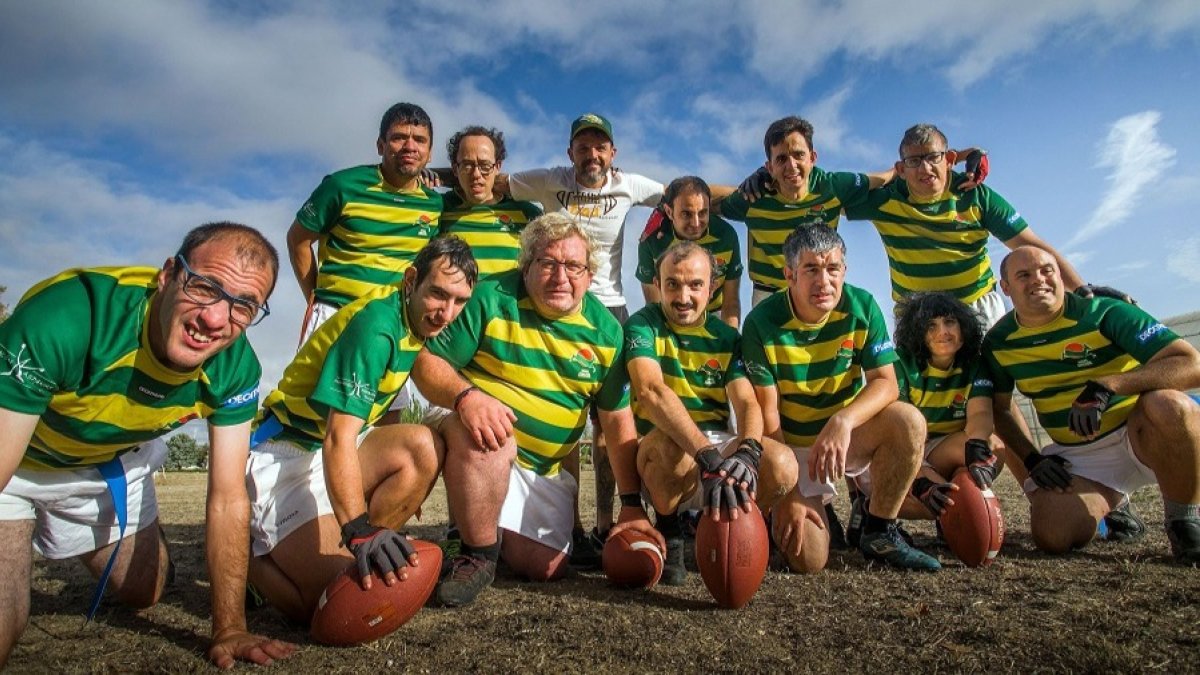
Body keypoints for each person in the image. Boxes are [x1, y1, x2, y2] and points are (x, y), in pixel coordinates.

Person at [0, 222, 294, 669]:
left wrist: (229, 627)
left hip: (107, 463)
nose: (214, 319)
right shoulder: (69, 316)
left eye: (243, 306)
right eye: (204, 287)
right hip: (18, 463)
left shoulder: (236, 367)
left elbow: (228, 496)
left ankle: (124, 541)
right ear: (168, 274)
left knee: (145, 592)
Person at [412, 213, 660, 606]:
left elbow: (615, 420)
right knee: (489, 434)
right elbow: (427, 361)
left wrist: (631, 505)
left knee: (546, 568)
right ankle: (474, 554)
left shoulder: (608, 332)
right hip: (480, 438)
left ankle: (486, 529)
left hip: (542, 469)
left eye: (574, 265)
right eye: (547, 263)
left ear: (590, 275)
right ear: (525, 267)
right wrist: (467, 397)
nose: (561, 276)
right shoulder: (491, 296)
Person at [245, 237, 476, 622]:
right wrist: (357, 528)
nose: (446, 312)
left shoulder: (411, 318)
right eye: (438, 294)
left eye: (459, 301)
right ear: (411, 279)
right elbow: (339, 436)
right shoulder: (376, 326)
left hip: (330, 448)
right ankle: (244, 551)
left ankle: (364, 552)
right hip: (288, 450)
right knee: (322, 604)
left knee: (422, 446)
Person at [491, 113, 664, 566]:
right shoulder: (550, 180)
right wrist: (431, 173)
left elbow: (686, 191)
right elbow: (496, 181)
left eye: (600, 146)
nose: (592, 154)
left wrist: (749, 188)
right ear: (571, 153)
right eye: (583, 147)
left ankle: (609, 523)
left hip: (610, 310)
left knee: (609, 425)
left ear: (613, 153)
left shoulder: (630, 185)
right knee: (567, 420)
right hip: (558, 300)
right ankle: (571, 526)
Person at [742, 225, 940, 572]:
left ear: (844, 271)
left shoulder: (861, 305)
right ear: (789, 274)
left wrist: (843, 420)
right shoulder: (761, 321)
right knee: (810, 561)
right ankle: (776, 516)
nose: (824, 281)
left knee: (908, 420)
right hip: (791, 449)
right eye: (811, 270)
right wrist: (787, 492)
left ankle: (879, 528)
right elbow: (767, 413)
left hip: (841, 442)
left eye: (833, 269)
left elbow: (886, 384)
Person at [983, 246, 1200, 562]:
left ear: (1060, 275)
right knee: (1052, 536)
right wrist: (1032, 459)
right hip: (1082, 457)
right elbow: (1000, 409)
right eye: (1024, 275)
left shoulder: (1105, 312)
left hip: (1142, 435)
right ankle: (1118, 506)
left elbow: (1190, 363)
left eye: (1047, 270)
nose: (1038, 280)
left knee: (1171, 406)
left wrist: (1108, 385)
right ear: (1005, 287)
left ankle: (1184, 522)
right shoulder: (998, 342)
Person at [625, 241, 796, 584]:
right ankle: (670, 530)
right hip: (665, 456)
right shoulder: (642, 325)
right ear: (657, 285)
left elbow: (746, 402)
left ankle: (723, 528)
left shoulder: (727, 336)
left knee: (781, 464)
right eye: (672, 283)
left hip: (715, 450)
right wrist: (705, 456)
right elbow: (651, 391)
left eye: (695, 285)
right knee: (670, 445)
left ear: (712, 288)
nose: (683, 296)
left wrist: (748, 451)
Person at [844, 123, 1092, 329]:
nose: (925, 168)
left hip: (976, 307)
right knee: (921, 389)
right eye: (914, 161)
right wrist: (891, 173)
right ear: (901, 167)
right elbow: (834, 199)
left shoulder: (976, 195)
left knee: (988, 386)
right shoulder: (886, 199)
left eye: (933, 157)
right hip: (916, 313)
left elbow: (1033, 248)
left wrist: (1083, 292)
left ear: (949, 159)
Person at [287, 102, 441, 343]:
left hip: (394, 322)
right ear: (380, 145)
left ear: (430, 153)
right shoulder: (342, 185)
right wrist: (316, 299)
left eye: (420, 140)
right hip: (334, 315)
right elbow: (298, 240)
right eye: (399, 138)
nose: (410, 147)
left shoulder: (435, 204)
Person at [717, 116, 897, 307]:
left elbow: (879, 179)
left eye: (798, 155)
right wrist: (737, 190)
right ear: (769, 166)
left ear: (812, 158)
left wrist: (898, 170)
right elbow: (701, 197)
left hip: (818, 288)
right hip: (768, 295)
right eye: (781, 159)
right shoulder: (753, 196)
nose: (791, 165)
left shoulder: (832, 187)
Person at [878, 292, 1006, 540]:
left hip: (940, 449)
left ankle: (956, 513)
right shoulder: (902, 364)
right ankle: (875, 512)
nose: (943, 332)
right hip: (901, 454)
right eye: (931, 326)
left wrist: (977, 448)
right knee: (943, 499)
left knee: (993, 447)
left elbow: (980, 413)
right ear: (917, 332)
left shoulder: (974, 364)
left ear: (964, 325)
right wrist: (921, 481)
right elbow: (897, 437)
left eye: (950, 322)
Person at [636, 177, 744, 328]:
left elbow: (731, 302)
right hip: (672, 316)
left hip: (714, 315)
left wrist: (731, 342)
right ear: (669, 211)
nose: (696, 223)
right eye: (686, 214)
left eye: (702, 213)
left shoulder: (726, 235)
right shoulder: (652, 240)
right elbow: (654, 305)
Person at [439, 126, 543, 279]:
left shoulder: (528, 214)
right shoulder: (440, 208)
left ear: (498, 167)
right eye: (467, 165)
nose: (476, 174)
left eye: (485, 166)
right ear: (455, 169)